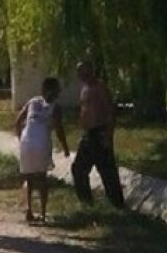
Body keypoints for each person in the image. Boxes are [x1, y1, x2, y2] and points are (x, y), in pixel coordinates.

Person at [70, 60, 125, 208]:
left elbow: (110, 111)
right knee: (78, 168)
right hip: (88, 134)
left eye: (81, 71)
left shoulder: (99, 87)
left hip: (100, 132)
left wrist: (108, 135)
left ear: (89, 71)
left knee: (107, 171)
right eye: (78, 71)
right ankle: (86, 202)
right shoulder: (84, 88)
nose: (79, 74)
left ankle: (117, 204)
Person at [15, 77, 70, 223]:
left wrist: (20, 139)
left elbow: (17, 122)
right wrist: (65, 148)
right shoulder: (55, 108)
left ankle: (28, 210)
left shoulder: (32, 102)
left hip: (26, 141)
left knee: (28, 178)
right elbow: (59, 130)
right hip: (41, 143)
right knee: (42, 179)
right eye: (57, 89)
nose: (59, 92)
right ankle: (43, 214)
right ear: (52, 91)